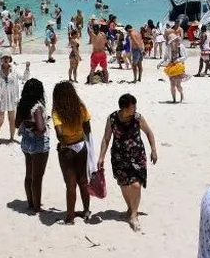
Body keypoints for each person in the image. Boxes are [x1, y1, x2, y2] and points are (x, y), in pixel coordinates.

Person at [98, 93, 159, 231]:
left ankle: (134, 215)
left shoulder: (138, 118)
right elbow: (106, 138)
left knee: (136, 185)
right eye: (133, 107)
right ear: (124, 108)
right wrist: (101, 157)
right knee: (124, 185)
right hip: (119, 157)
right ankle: (130, 209)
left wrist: (153, 150)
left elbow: (149, 133)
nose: (135, 109)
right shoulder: (112, 118)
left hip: (137, 155)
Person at [52, 81, 92, 224]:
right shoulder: (81, 107)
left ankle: (70, 217)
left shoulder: (57, 111)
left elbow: (59, 133)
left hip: (67, 149)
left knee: (70, 184)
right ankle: (86, 211)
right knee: (83, 181)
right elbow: (87, 128)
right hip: (81, 146)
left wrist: (63, 143)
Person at [15, 78, 50, 214]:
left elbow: (16, 124)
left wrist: (29, 125)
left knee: (29, 174)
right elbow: (41, 128)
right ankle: (36, 207)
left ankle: (30, 202)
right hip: (38, 143)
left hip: (26, 141)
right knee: (37, 177)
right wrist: (42, 126)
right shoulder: (37, 107)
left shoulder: (22, 105)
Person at [0, 52, 31, 143]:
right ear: (1, 59)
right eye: (4, 58)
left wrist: (27, 68)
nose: (6, 59)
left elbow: (24, 77)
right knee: (0, 121)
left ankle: (11, 138)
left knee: (12, 120)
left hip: (12, 99)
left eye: (7, 57)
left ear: (10, 59)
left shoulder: (14, 70)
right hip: (0, 100)